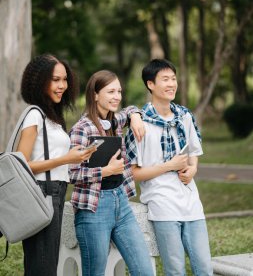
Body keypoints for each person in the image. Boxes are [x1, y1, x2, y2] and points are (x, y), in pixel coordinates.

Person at [125, 59, 213, 276]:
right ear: (150, 84)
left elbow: (193, 152)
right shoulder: (140, 124)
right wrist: (169, 166)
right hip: (162, 204)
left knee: (204, 267)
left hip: (191, 201)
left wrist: (192, 169)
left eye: (173, 79)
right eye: (165, 79)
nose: (171, 84)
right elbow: (134, 173)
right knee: (175, 270)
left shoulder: (184, 117)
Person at [69, 70, 154, 276]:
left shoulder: (114, 120)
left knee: (145, 270)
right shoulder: (82, 128)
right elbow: (71, 173)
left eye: (119, 91)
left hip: (121, 204)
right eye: (110, 91)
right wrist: (105, 171)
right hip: (94, 209)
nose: (117, 96)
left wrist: (134, 117)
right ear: (95, 95)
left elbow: (132, 108)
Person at [17, 54, 96, 276]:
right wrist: (66, 159)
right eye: (55, 80)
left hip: (56, 193)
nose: (62, 85)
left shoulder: (53, 117)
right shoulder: (35, 114)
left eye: (64, 79)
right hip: (42, 193)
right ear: (39, 82)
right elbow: (21, 164)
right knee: (43, 267)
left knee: (46, 264)